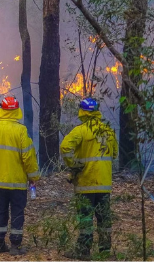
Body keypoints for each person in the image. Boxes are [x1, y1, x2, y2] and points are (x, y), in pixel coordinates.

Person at [60, 97, 118, 260]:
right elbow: (114, 154)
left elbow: (65, 147)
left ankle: (83, 251)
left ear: (83, 111)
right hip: (104, 184)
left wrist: (74, 165)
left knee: (85, 219)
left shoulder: (81, 130)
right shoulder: (108, 130)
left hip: (86, 184)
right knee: (104, 219)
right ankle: (105, 252)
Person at [0, 96, 39, 256]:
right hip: (17, 182)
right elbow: (28, 156)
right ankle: (15, 246)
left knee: (0, 210)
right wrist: (33, 176)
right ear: (16, 110)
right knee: (17, 212)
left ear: (2, 109)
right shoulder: (20, 130)